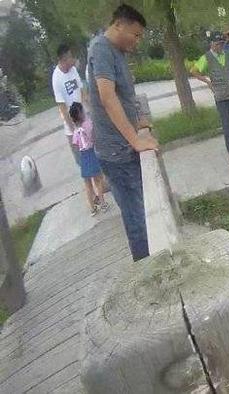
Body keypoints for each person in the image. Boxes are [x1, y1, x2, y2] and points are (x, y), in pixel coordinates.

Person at [87, 4, 158, 262]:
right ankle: (147, 269)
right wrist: (135, 140)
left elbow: (125, 96)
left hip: (124, 145)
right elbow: (107, 97)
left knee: (144, 212)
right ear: (118, 25)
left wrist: (140, 123)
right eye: (135, 35)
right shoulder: (101, 48)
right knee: (137, 217)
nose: (137, 42)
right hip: (116, 152)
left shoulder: (117, 52)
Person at [191, 31, 229, 163]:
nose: (220, 46)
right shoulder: (206, 58)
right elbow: (194, 71)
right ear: (211, 43)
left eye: (222, 43)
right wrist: (207, 81)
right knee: (227, 125)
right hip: (222, 97)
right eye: (218, 44)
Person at [69, 102, 110, 216]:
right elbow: (94, 137)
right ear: (81, 114)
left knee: (87, 183)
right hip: (92, 153)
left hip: (83, 157)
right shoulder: (88, 124)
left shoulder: (76, 132)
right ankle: (102, 203)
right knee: (98, 180)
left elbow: (76, 144)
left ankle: (92, 208)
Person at [52, 44, 88, 166]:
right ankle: (89, 184)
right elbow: (62, 107)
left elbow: (82, 90)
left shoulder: (73, 70)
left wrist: (87, 112)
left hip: (84, 119)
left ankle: (101, 182)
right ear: (64, 59)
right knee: (82, 160)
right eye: (71, 57)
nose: (73, 59)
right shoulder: (56, 78)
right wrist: (74, 131)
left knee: (92, 154)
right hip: (72, 126)